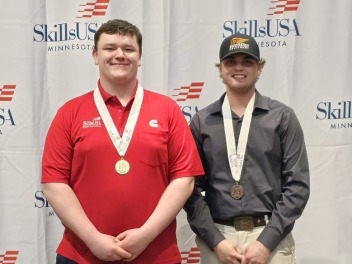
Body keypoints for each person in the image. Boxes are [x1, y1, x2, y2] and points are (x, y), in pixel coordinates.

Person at [41, 19, 204, 264]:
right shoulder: (70, 112)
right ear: (95, 55)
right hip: (82, 255)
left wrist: (146, 235)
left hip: (155, 255)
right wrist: (93, 239)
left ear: (139, 57)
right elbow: (54, 183)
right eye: (110, 48)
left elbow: (184, 179)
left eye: (128, 49)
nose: (119, 55)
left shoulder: (167, 110)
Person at [184, 33, 310, 264]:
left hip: (271, 239)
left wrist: (266, 242)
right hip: (220, 241)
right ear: (220, 68)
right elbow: (188, 188)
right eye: (230, 62)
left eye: (247, 61)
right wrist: (215, 240)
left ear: (259, 68)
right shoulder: (202, 122)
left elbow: (297, 186)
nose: (238, 67)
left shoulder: (282, 117)